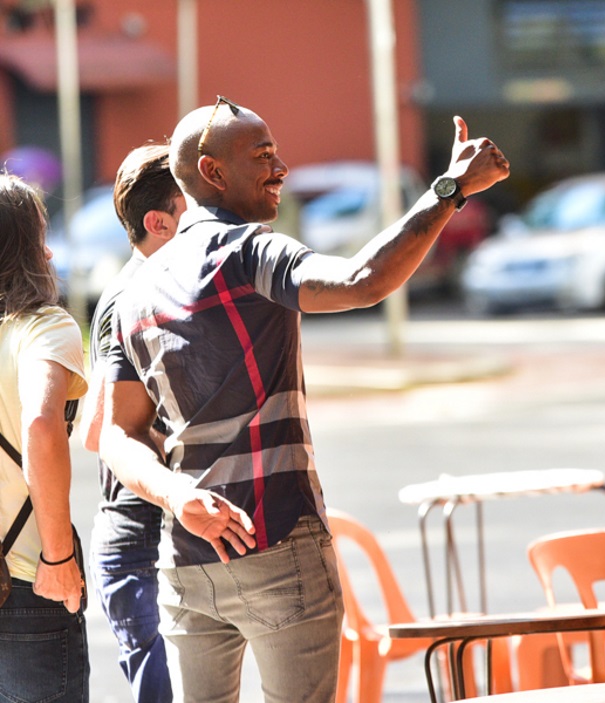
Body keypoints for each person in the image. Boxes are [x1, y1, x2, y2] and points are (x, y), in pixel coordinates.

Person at [98, 97, 510, 702]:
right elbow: (361, 281)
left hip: (187, 561)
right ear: (213, 172)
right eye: (262, 156)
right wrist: (449, 189)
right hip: (279, 542)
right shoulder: (247, 250)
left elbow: (116, 435)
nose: (281, 168)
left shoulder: (134, 292)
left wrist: (178, 496)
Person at [78, 142, 185, 703]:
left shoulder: (148, 285)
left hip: (149, 537)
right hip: (142, 539)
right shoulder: (131, 296)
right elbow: (97, 430)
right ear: (158, 222)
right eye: (196, 211)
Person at [0, 173, 89, 700]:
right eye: (41, 237)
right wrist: (58, 559)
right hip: (26, 579)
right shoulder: (42, 328)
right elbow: (40, 422)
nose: (51, 252)